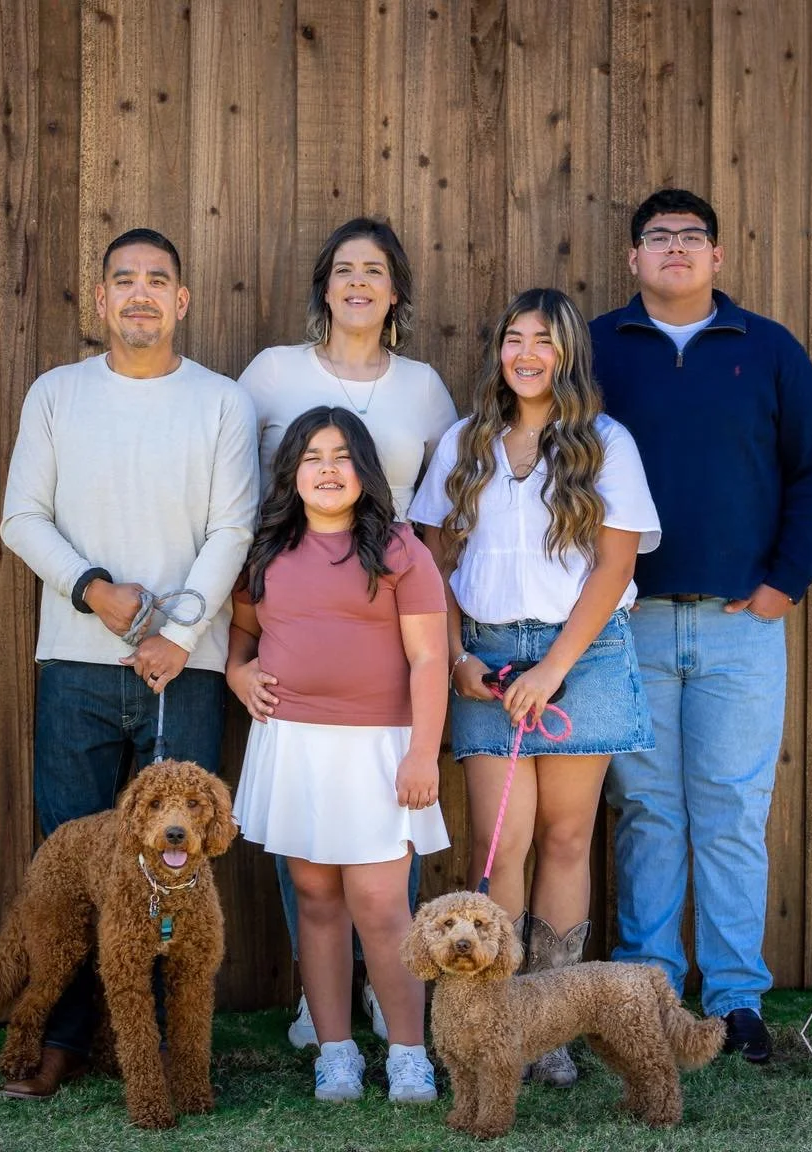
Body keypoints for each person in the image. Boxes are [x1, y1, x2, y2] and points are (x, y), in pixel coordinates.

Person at [0, 227, 259, 1098]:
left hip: (181, 668)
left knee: (174, 866)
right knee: (73, 866)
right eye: (124, 280)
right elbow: (22, 518)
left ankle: (155, 1051)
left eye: (158, 280)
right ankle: (67, 1041)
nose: (140, 293)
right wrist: (96, 591)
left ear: (181, 301)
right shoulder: (55, 395)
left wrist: (177, 634)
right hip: (73, 660)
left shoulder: (220, 402)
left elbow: (233, 528)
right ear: (101, 299)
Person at [592, 188, 812, 1063]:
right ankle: (649, 996)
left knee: (734, 811)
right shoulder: (594, 348)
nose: (675, 249)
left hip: (742, 624)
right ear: (633, 259)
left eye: (691, 237)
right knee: (645, 812)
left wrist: (785, 584)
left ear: (717, 257)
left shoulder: (766, 348)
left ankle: (737, 1000)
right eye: (657, 238)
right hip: (629, 625)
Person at [410, 288, 661, 1086]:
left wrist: (554, 668)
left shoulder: (606, 444)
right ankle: (498, 1012)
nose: (526, 353)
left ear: (568, 356)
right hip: (486, 659)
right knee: (504, 840)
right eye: (514, 338)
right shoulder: (464, 441)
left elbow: (616, 565)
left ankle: (548, 1025)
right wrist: (456, 660)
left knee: (563, 836)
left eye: (544, 341)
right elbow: (432, 567)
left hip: (578, 656)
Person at [238, 217, 457, 1047]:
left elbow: (441, 515)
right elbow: (245, 572)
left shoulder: (424, 390)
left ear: (396, 289)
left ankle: (395, 1025)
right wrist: (234, 667)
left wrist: (423, 736)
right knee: (313, 878)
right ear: (322, 285)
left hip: (382, 679)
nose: (358, 282)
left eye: (375, 270)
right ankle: (323, 1015)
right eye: (343, 269)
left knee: (376, 889)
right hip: (296, 704)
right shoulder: (270, 375)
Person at [227, 406, 449, 1103]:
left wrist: (423, 754)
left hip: (380, 749)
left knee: (381, 904)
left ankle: (409, 1052)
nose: (327, 469)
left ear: (365, 471)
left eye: (341, 455)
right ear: (292, 473)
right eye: (312, 457)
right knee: (317, 899)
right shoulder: (265, 551)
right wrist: (237, 675)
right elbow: (239, 641)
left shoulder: (400, 549)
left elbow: (429, 658)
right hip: (295, 746)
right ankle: (336, 1050)